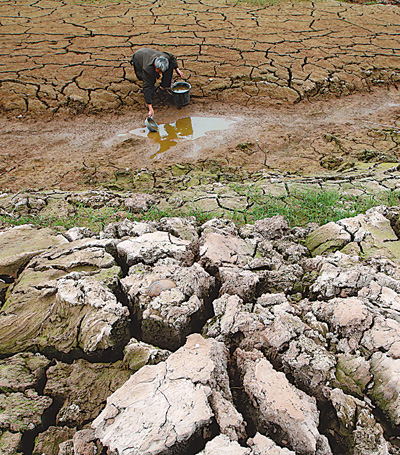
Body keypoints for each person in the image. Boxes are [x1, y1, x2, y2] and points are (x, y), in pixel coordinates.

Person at [130, 47, 184, 118]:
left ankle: (163, 87)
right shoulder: (147, 69)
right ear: (155, 66)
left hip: (150, 54)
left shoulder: (165, 57)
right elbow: (146, 87)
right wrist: (150, 107)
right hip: (138, 57)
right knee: (149, 80)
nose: (161, 73)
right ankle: (151, 95)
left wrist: (177, 69)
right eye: (159, 71)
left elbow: (172, 58)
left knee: (170, 66)